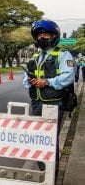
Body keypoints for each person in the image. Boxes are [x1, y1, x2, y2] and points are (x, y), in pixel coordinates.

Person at [22, 20, 75, 173]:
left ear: (54, 36)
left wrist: (47, 82)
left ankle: (52, 173)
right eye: (39, 35)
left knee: (50, 140)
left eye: (46, 34)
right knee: (37, 138)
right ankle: (43, 170)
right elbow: (25, 81)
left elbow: (69, 76)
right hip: (37, 103)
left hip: (53, 104)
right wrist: (31, 82)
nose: (42, 37)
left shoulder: (63, 55)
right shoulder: (34, 56)